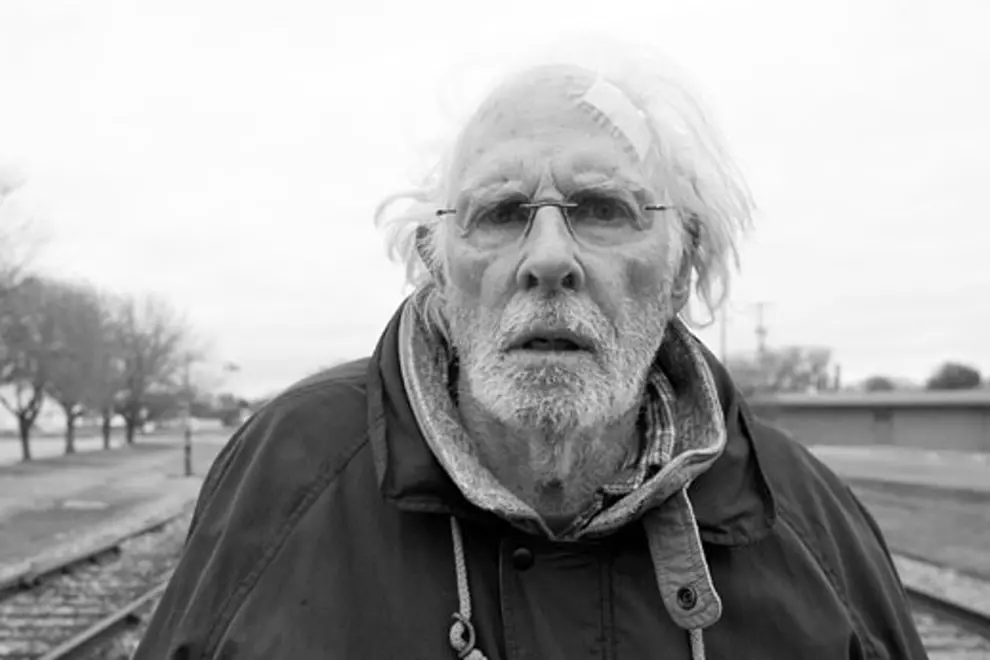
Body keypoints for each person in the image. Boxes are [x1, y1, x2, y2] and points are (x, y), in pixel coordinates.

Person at [134, 49, 928, 660]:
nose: (549, 257)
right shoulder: (289, 471)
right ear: (436, 268)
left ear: (684, 266)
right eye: (502, 212)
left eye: (605, 208)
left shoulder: (805, 518)